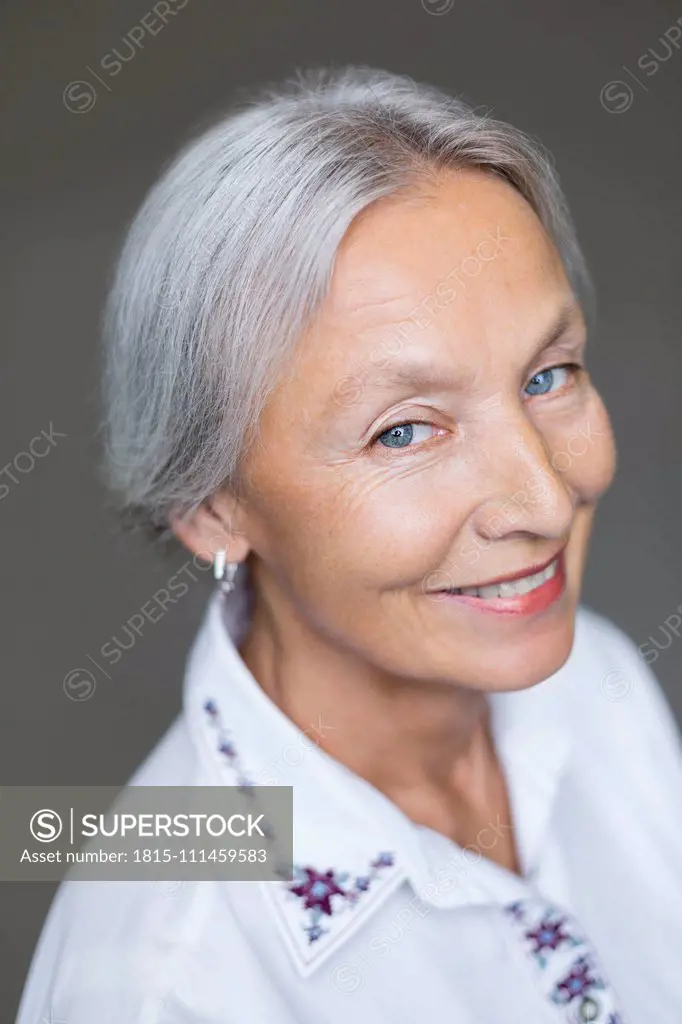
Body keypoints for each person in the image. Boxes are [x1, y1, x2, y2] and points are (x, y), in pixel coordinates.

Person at [16, 66, 682, 1024]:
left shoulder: (598, 686)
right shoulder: (162, 985)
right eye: (404, 431)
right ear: (212, 510)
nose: (543, 497)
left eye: (549, 375)